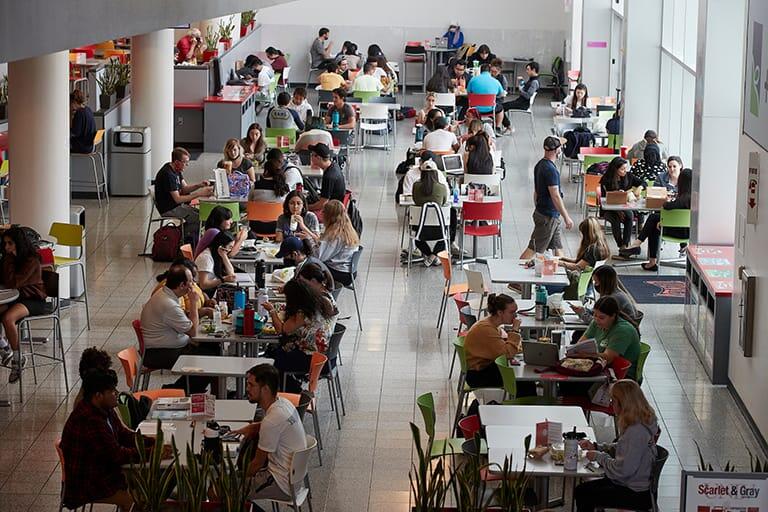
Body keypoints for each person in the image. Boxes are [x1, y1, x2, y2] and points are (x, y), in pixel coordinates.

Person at [61, 369, 164, 512]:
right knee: (139, 498)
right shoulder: (89, 420)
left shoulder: (103, 409)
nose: (116, 393)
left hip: (103, 469)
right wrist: (152, 453)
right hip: (89, 482)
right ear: (98, 395)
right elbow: (117, 455)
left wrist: (150, 442)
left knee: (150, 480)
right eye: (112, 391)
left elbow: (123, 435)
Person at [575, 380, 659, 512]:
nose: (611, 404)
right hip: (636, 485)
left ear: (623, 404)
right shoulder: (640, 422)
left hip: (635, 493)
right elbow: (623, 448)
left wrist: (599, 457)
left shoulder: (636, 432)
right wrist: (597, 447)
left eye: (613, 401)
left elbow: (623, 471)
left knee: (583, 493)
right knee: (584, 490)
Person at [140, 265, 220, 392]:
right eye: (191, 281)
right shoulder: (168, 304)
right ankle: (178, 390)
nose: (193, 283)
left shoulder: (166, 293)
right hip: (161, 353)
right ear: (182, 285)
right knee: (210, 360)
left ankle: (217, 392)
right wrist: (193, 303)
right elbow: (193, 332)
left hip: (166, 347)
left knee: (214, 347)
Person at [237, 364, 306, 506]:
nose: (247, 389)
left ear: (265, 389)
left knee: (219, 489)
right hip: (294, 477)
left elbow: (256, 465)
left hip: (280, 483)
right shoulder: (284, 404)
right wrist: (253, 427)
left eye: (251, 385)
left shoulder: (271, 421)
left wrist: (235, 474)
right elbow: (273, 427)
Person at [263, 279, 336, 392]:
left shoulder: (302, 313)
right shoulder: (317, 304)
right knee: (276, 351)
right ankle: (289, 387)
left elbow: (282, 330)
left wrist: (272, 311)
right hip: (326, 357)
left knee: (276, 359)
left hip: (311, 358)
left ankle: (293, 391)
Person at [620, 168, 692, 270]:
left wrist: (667, 201)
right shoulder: (696, 199)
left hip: (677, 232)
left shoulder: (682, 199)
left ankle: (642, 249)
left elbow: (666, 206)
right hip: (690, 233)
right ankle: (649, 259)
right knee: (654, 222)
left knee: (653, 220)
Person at [0, 227, 47, 383]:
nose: (6, 247)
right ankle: (4, 347)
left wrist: (8, 259)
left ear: (18, 243)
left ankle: (17, 358)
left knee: (8, 318)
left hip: (33, 300)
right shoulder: (11, 258)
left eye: (10, 243)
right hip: (16, 297)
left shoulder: (31, 261)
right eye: (5, 244)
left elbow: (13, 282)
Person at [463, 294, 534, 395]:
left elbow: (504, 343)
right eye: (512, 312)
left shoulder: (491, 324)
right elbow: (508, 353)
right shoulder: (486, 329)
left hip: (484, 368)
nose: (515, 316)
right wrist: (515, 330)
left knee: (522, 376)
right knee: (525, 382)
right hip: (478, 375)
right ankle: (524, 407)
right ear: (500, 312)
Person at [520, 137, 574, 259]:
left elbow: (536, 192)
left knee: (558, 249)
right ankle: (513, 274)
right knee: (532, 250)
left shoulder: (539, 165)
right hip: (548, 217)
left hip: (548, 215)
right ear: (557, 150)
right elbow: (555, 195)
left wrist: (538, 209)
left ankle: (563, 274)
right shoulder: (551, 170)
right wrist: (566, 217)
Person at [575, 296, 641, 380]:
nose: (596, 319)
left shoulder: (623, 331)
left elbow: (608, 358)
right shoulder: (596, 322)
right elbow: (580, 344)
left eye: (601, 317)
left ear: (613, 316)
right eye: (594, 315)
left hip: (621, 375)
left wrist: (586, 355)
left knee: (574, 384)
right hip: (601, 366)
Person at [154, 148, 212, 242]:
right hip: (169, 208)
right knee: (201, 219)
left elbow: (184, 188)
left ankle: (183, 235)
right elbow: (178, 199)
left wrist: (199, 185)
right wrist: (199, 194)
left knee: (203, 215)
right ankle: (177, 235)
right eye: (185, 162)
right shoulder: (168, 174)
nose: (187, 165)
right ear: (177, 162)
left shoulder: (176, 170)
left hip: (176, 205)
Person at [554, 217, 611, 299]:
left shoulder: (592, 250)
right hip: (587, 282)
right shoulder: (601, 245)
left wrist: (559, 263)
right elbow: (580, 262)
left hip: (581, 285)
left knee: (549, 286)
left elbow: (578, 267)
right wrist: (562, 259)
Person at [411, 160, 453, 266]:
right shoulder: (442, 187)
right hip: (439, 230)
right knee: (451, 220)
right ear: (436, 173)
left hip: (420, 230)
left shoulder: (416, 186)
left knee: (415, 236)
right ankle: (434, 255)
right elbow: (444, 203)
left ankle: (430, 255)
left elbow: (415, 201)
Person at [600, 157, 644, 250]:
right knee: (615, 219)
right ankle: (620, 245)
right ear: (615, 169)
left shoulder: (629, 176)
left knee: (629, 215)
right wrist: (617, 211)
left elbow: (642, 182)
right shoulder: (606, 180)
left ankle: (625, 244)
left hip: (625, 207)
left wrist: (640, 187)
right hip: (609, 209)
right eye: (622, 169)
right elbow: (604, 199)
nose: (625, 171)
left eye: (625, 168)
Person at [572, 265, 640, 325]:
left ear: (603, 282)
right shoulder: (616, 293)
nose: (595, 285)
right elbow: (599, 313)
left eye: (596, 282)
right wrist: (584, 310)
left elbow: (597, 323)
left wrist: (582, 313)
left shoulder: (612, 299)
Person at [317, 200, 359, 286]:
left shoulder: (334, 234)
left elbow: (320, 257)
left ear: (329, 216)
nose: (321, 213)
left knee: (309, 267)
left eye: (324, 211)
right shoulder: (347, 228)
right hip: (349, 271)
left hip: (339, 273)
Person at [466, 64, 506, 132]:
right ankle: (497, 127)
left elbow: (468, 92)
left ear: (480, 71)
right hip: (490, 108)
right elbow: (501, 93)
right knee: (500, 109)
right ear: (490, 71)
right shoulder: (495, 81)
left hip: (475, 109)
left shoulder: (473, 80)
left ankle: (472, 129)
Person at [307, 143, 346, 212]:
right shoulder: (334, 166)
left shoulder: (329, 176)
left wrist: (306, 208)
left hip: (332, 210)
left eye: (312, 155)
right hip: (336, 203)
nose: (310, 157)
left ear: (318, 158)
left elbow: (322, 204)